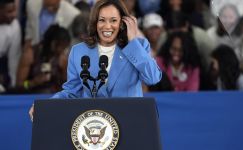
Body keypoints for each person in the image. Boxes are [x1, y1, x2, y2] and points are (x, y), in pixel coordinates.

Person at [29, 0, 162, 120]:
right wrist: (45, 107)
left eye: (113, 20)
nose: (107, 26)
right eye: (102, 20)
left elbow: (153, 78)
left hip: (129, 121)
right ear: (95, 22)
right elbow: (71, 92)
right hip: (95, 126)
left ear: (123, 22)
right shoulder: (78, 51)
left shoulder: (138, 46)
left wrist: (132, 40)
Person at [16, 24, 71, 93]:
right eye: (60, 46)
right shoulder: (30, 54)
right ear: (52, 42)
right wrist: (33, 82)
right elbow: (19, 85)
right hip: (31, 97)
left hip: (54, 98)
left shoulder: (62, 58)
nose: (62, 50)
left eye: (64, 47)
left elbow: (68, 87)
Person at [0, 0, 21, 93]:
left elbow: (14, 58)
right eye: (9, 12)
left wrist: (13, 86)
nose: (14, 14)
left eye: (14, 10)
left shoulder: (15, 25)